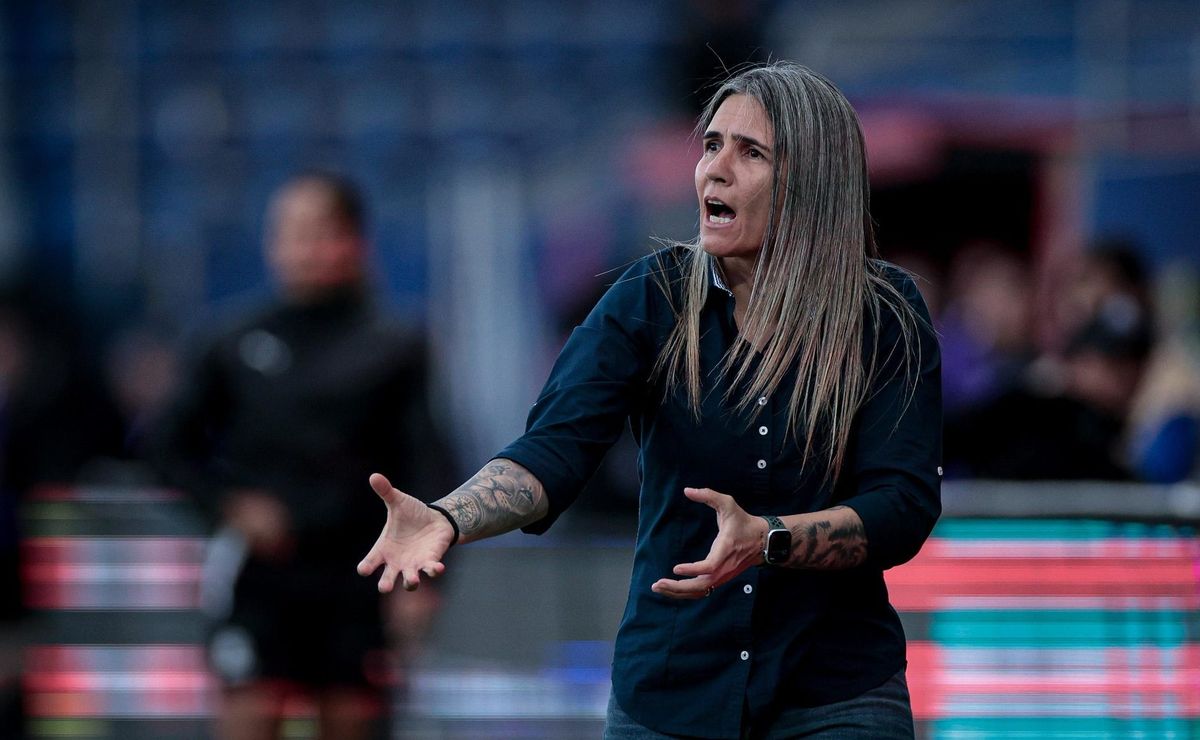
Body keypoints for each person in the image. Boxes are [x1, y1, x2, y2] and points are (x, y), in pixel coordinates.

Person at [359, 62, 942, 739]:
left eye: (750, 152)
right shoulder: (648, 300)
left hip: (835, 692)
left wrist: (771, 539)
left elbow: (901, 506)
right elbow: (554, 451)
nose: (713, 171)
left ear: (812, 182)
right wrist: (446, 517)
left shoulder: (884, 313)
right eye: (711, 145)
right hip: (671, 693)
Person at [153, 172, 448, 740]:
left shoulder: (396, 345)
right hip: (262, 577)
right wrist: (230, 506)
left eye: (319, 232)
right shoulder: (233, 339)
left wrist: (427, 581)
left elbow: (428, 464)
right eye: (288, 233)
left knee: (350, 720)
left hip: (360, 575)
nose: (302, 249)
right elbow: (168, 446)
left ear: (354, 241)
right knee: (249, 714)